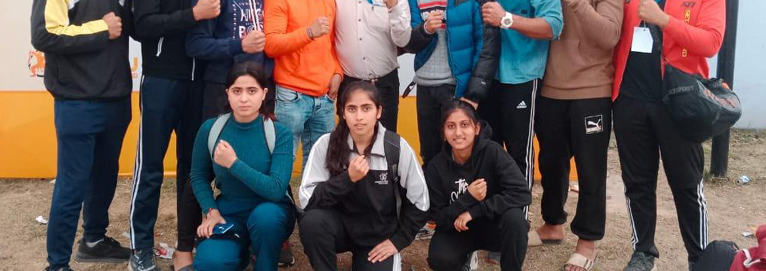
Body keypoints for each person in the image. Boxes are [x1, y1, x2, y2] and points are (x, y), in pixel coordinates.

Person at [613, 0, 726, 271]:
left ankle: (699, 257)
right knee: (638, 183)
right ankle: (643, 251)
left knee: (687, 185)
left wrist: (664, 20)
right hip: (630, 99)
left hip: (681, 103)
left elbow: (710, 43)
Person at [31, 0, 133, 271]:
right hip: (77, 103)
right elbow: (44, 35)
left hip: (117, 100)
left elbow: (145, 24)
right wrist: (99, 29)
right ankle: (57, 264)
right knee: (72, 186)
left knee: (105, 177)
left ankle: (93, 240)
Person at [129, 0, 221, 271]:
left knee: (193, 169)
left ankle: (191, 242)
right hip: (162, 80)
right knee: (150, 167)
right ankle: (141, 247)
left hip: (204, 85)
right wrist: (192, 15)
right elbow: (142, 26)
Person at [534, 0, 624, 271]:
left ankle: (587, 241)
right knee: (551, 163)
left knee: (590, 168)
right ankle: (553, 223)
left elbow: (609, 36)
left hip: (591, 90)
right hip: (550, 89)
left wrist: (575, 0)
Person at [474, 0, 563, 224]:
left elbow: (553, 25)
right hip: (486, 75)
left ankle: (517, 223)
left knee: (518, 154)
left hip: (522, 76)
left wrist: (507, 18)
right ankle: (492, 218)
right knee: (487, 149)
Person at [298, 81, 429, 270]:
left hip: (377, 238)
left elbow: (421, 203)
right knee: (312, 222)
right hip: (339, 227)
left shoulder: (396, 147)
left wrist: (397, 241)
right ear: (343, 112)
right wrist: (347, 178)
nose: (359, 117)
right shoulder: (326, 144)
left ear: (378, 112)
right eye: (352, 109)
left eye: (366, 108)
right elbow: (307, 199)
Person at [404, 0, 499, 166]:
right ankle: (432, 205)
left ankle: (461, 204)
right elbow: (410, 42)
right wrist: (425, 30)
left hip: (457, 88)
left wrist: (475, 93)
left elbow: (487, 45)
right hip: (425, 85)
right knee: (430, 154)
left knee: (461, 156)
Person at [189, 62, 295, 271]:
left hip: (271, 212)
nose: (244, 98)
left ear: (264, 93)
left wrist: (233, 163)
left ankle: (265, 262)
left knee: (265, 219)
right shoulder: (211, 129)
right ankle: (241, 253)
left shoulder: (280, 133)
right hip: (230, 213)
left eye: (252, 91)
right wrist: (211, 211)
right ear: (228, 93)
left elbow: (275, 190)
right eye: (237, 91)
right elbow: (198, 175)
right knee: (209, 263)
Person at [264, 0, 343, 167]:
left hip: (325, 99)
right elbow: (271, 45)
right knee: (282, 162)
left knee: (322, 164)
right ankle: (279, 205)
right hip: (291, 97)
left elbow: (331, 45)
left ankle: (315, 205)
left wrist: (338, 72)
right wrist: (308, 33)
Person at [425, 101, 531, 271]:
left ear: (476, 128)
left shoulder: (493, 152)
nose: (458, 133)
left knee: (515, 220)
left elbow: (522, 194)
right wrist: (468, 198)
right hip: (459, 228)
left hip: (493, 225)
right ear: (443, 132)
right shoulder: (436, 167)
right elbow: (438, 217)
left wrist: (474, 212)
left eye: (465, 125)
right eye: (451, 126)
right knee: (440, 258)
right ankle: (465, 259)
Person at [331, 0, 411, 132]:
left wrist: (393, 8)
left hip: (384, 85)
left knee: (385, 146)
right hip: (348, 84)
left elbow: (403, 41)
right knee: (347, 145)